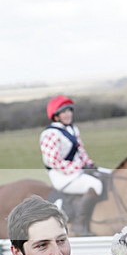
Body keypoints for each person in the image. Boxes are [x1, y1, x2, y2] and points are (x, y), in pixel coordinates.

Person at [40, 96, 104, 235]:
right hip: (61, 176)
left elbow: (81, 152)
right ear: (56, 116)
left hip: (77, 171)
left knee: (106, 175)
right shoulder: (50, 133)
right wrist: (79, 167)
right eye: (64, 111)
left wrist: (90, 164)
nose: (68, 114)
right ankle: (79, 226)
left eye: (69, 110)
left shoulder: (73, 129)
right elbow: (53, 161)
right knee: (96, 185)